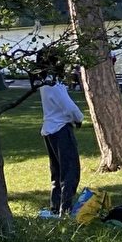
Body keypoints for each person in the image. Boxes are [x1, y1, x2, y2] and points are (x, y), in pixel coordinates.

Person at [37, 52, 84, 218]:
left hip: (49, 129)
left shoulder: (44, 82)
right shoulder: (54, 84)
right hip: (61, 128)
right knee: (70, 171)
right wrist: (79, 118)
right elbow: (69, 107)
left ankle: (55, 207)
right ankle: (66, 209)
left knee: (56, 171)